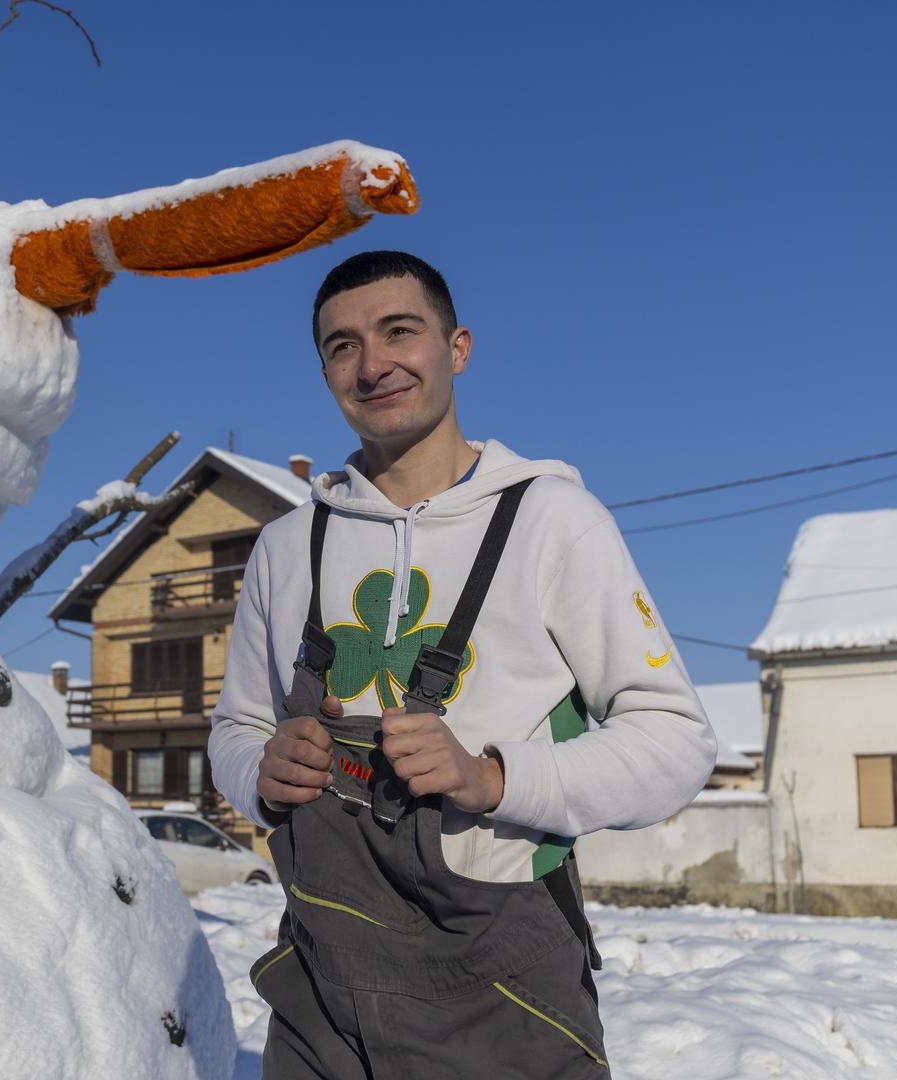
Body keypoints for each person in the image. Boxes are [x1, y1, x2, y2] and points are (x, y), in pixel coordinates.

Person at [208, 251, 716, 1078]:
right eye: (341, 346)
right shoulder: (284, 545)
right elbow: (235, 728)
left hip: (502, 996)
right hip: (320, 994)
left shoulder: (554, 520)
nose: (371, 365)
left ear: (457, 347)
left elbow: (674, 742)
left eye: (398, 331)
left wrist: (491, 779)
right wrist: (259, 773)